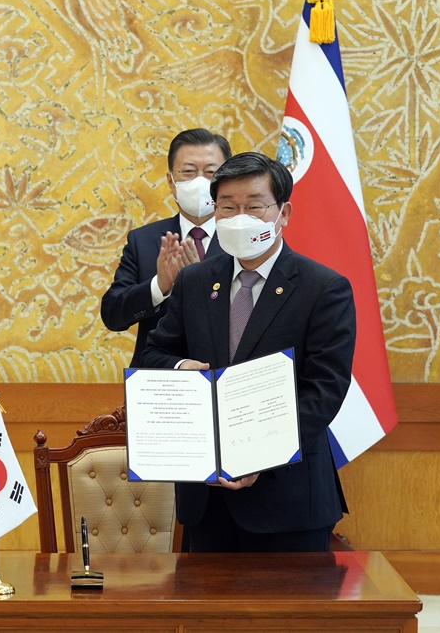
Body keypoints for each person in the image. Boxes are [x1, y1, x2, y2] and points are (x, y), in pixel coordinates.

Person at [140, 152, 356, 552]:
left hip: (287, 499)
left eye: (254, 206)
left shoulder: (323, 288)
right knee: (206, 614)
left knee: (288, 616)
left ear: (283, 212)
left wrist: (262, 456)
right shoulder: (194, 280)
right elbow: (153, 355)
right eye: (227, 206)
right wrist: (182, 366)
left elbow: (324, 389)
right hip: (207, 498)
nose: (239, 216)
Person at [101, 128, 232, 367]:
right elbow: (112, 316)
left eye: (211, 172)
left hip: (225, 381)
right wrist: (159, 287)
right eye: (189, 172)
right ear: (171, 182)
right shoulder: (144, 241)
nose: (200, 182)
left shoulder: (243, 240)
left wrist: (199, 284)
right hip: (160, 387)